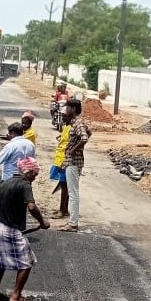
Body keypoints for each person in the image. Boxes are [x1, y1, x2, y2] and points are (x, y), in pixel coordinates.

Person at [0, 156, 50, 301]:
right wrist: (42, 222)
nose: (35, 178)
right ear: (30, 172)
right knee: (27, 261)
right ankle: (16, 296)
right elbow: (32, 207)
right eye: (35, 174)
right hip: (7, 228)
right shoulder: (25, 184)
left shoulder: (5, 182)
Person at [61, 99, 91, 232]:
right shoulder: (76, 123)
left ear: (73, 109)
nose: (65, 110)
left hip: (73, 162)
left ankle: (73, 224)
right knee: (72, 192)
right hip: (73, 161)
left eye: (67, 108)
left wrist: (73, 150)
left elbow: (84, 137)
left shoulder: (77, 123)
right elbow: (89, 133)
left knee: (73, 193)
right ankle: (72, 222)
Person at [48, 124, 71, 218]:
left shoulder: (72, 127)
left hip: (64, 159)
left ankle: (62, 210)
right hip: (61, 157)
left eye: (65, 116)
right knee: (65, 184)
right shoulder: (66, 126)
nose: (63, 118)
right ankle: (64, 209)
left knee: (64, 184)